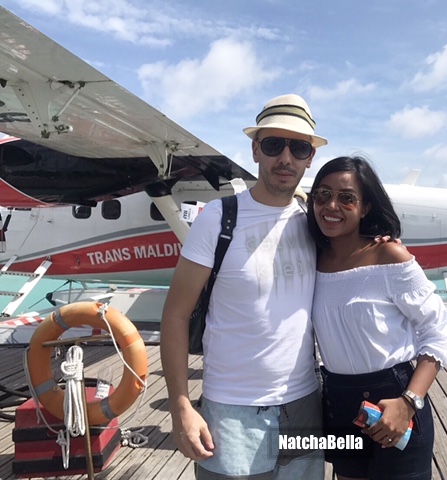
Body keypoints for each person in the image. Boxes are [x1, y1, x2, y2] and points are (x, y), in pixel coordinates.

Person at [161, 94, 327, 480]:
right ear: (255, 150)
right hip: (230, 411)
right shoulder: (218, 218)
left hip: (304, 404)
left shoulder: (312, 220)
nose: (285, 158)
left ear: (310, 158)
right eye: (273, 145)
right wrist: (181, 405)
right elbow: (176, 314)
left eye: (299, 148)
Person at [307, 156, 447, 480]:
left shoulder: (388, 256)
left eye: (347, 197)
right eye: (323, 195)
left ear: (366, 207)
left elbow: (437, 333)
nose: (332, 205)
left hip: (395, 399)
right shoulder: (309, 259)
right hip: (339, 404)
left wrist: (409, 402)